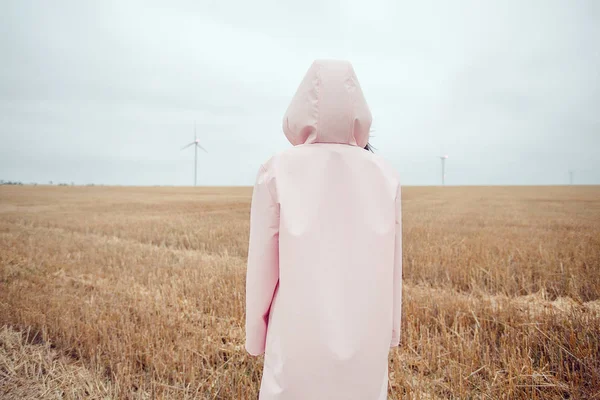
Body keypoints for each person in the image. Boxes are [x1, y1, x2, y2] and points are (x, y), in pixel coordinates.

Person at [245, 59, 402, 400]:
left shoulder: (277, 170)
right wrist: (390, 332)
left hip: (296, 334)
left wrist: (255, 336)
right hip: (366, 338)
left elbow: (262, 266)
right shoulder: (385, 174)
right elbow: (392, 266)